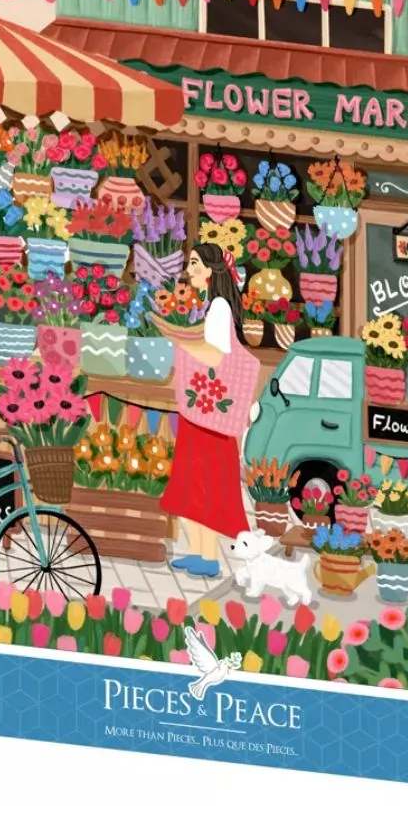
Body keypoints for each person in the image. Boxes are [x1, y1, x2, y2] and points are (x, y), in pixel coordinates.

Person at [161, 246, 259, 578]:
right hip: (201, 409)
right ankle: (201, 554)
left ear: (210, 270)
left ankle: (208, 556)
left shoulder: (217, 308)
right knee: (194, 485)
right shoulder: (205, 305)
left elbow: (216, 355)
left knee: (202, 483)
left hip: (208, 412)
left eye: (194, 263)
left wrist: (179, 339)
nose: (188, 269)